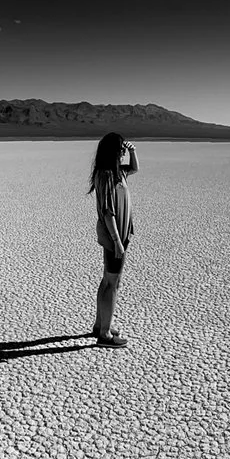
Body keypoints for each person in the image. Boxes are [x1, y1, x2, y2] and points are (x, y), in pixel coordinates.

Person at [88, 133, 139, 347]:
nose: (122, 152)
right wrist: (117, 241)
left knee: (108, 280)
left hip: (119, 234)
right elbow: (108, 212)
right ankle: (105, 335)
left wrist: (133, 151)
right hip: (114, 236)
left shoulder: (118, 172)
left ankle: (100, 325)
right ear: (112, 151)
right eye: (120, 149)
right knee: (112, 283)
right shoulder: (108, 174)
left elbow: (134, 168)